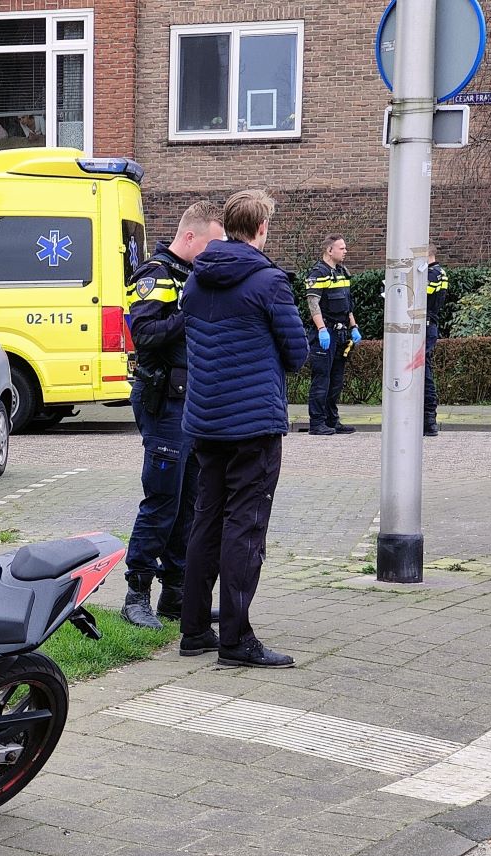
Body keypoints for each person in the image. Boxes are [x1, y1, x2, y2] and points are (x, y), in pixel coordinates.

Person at [178, 188, 308, 668]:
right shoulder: (269, 282)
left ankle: (194, 629)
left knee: (206, 519)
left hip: (205, 420)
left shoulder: (195, 280)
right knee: (245, 527)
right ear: (261, 228)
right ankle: (235, 640)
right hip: (252, 423)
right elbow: (296, 353)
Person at [121, 201, 224, 629]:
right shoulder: (154, 275)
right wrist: (190, 314)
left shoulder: (192, 277)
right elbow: (145, 334)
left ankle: (176, 596)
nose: (215, 254)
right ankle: (136, 595)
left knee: (191, 503)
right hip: (164, 401)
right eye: (211, 245)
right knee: (163, 499)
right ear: (188, 238)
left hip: (192, 404)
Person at [305, 235, 361, 435]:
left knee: (336, 380)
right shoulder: (318, 273)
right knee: (322, 379)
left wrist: (353, 326)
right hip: (326, 332)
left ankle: (332, 420)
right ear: (330, 250)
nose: (345, 251)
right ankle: (317, 422)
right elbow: (313, 304)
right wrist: (321, 330)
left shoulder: (342, 272)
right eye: (342, 248)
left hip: (341, 332)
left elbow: (347, 305)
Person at [424, 245, 449, 437]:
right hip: (430, 324)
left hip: (424, 326)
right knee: (425, 370)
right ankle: (428, 419)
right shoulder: (440, 272)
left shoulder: (431, 274)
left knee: (423, 373)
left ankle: (429, 420)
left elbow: (417, 298)